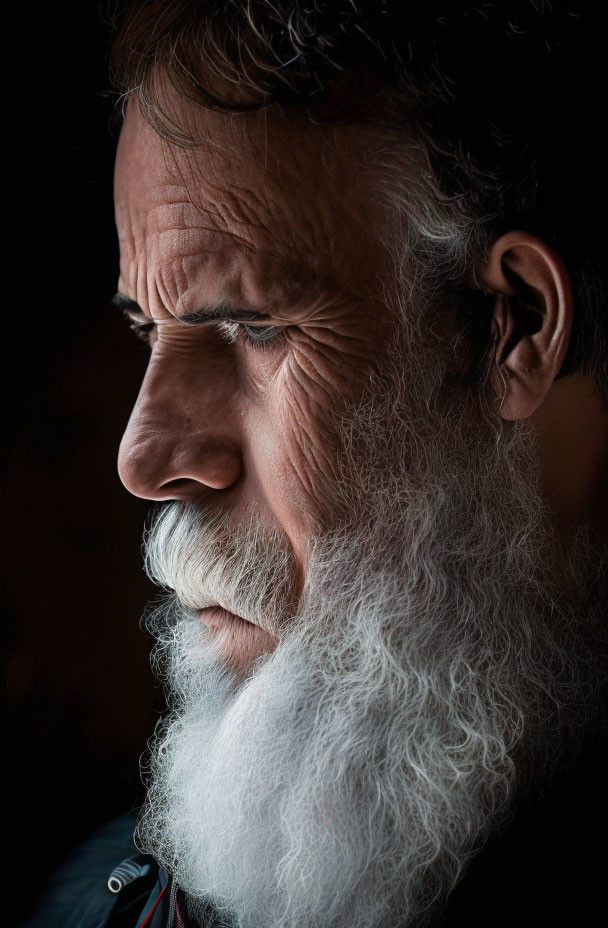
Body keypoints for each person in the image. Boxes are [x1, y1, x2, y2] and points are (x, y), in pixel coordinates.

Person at [26, 2, 607, 926]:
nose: (143, 458)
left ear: (513, 325)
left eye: (253, 327)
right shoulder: (89, 892)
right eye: (148, 328)